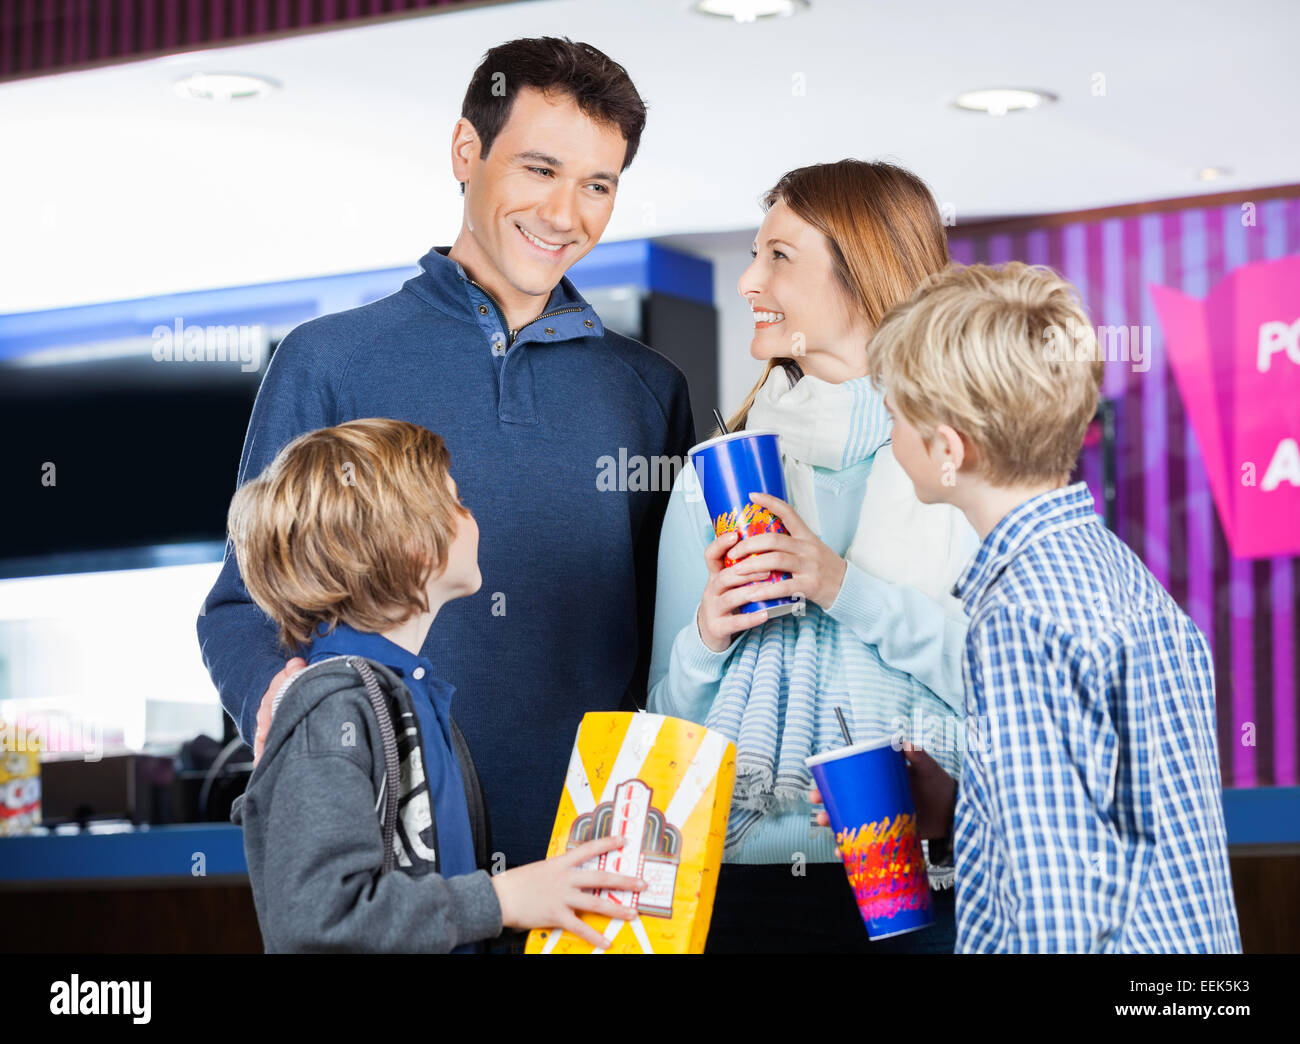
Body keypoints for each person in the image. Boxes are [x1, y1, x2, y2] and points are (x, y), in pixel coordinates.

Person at [197, 38, 696, 898]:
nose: (565, 213)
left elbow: (674, 642)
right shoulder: (329, 361)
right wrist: (301, 725)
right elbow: (242, 608)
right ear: (467, 152)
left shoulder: (648, 391)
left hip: (600, 876)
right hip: (403, 879)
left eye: (598, 185)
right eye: (540, 168)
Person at [647, 160, 978, 953]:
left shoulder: (963, 464)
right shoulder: (713, 474)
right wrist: (706, 639)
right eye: (754, 255)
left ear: (866, 273)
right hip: (737, 887)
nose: (749, 280)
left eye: (779, 257)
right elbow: (666, 722)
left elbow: (1006, 677)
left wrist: (841, 587)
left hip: (926, 881)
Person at [865, 260, 1242, 952]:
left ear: (948, 447)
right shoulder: (1117, 571)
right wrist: (963, 806)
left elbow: (1060, 910)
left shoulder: (1018, 616)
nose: (890, 441)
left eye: (894, 418)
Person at [227, 417, 646, 952]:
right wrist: (502, 900)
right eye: (458, 502)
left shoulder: (409, 695)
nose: (474, 518)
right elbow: (315, 917)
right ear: (408, 541)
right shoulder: (333, 708)